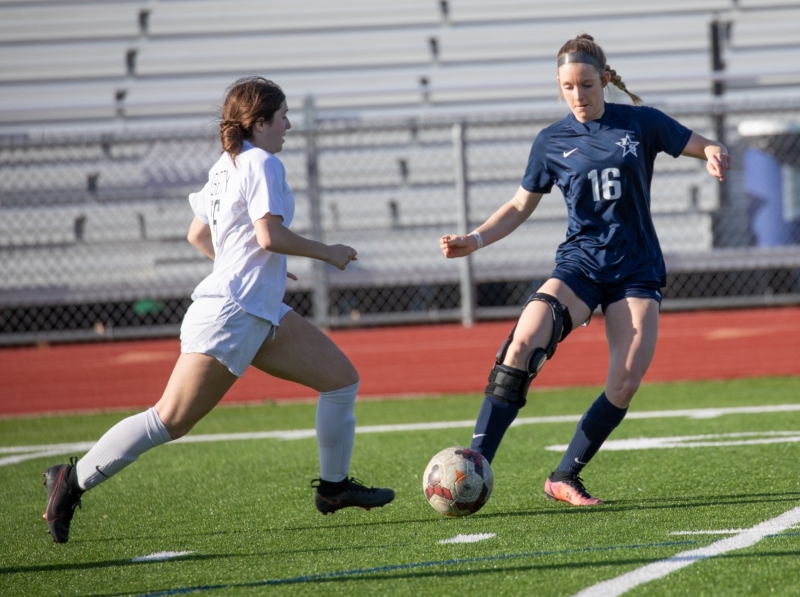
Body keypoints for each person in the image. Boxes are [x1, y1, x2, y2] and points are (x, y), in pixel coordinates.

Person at [42, 77, 394, 543]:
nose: (289, 125)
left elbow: (198, 235)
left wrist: (253, 268)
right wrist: (326, 252)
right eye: (283, 116)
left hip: (257, 306)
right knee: (169, 420)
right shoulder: (262, 163)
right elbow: (268, 236)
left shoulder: (225, 165)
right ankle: (72, 480)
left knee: (340, 380)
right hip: (232, 313)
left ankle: (333, 488)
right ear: (261, 122)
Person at [440, 34, 730, 506]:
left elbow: (701, 144)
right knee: (523, 341)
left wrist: (714, 151)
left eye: (587, 85)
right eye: (568, 87)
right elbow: (518, 205)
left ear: (606, 80)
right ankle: (474, 467)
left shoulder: (641, 123)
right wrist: (474, 239)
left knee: (626, 378)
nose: (578, 95)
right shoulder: (551, 141)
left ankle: (564, 476)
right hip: (580, 264)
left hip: (636, 269)